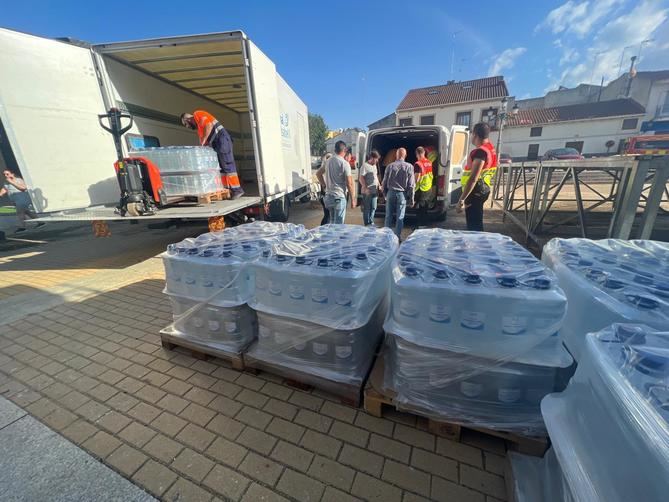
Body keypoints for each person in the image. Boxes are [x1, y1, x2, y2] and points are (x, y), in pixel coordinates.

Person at [180, 110, 244, 199]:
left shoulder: (197, 114)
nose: (188, 127)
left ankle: (237, 190)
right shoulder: (199, 127)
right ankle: (227, 190)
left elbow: (208, 125)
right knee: (221, 167)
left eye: (186, 125)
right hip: (217, 143)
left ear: (188, 120)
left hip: (222, 140)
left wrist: (204, 141)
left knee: (227, 165)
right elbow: (202, 140)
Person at [456, 122, 498, 231]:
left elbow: (473, 178)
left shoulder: (480, 152)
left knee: (474, 226)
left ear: (475, 135)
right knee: (476, 222)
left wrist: (462, 199)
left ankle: (475, 247)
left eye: (471, 134)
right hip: (483, 188)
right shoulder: (490, 149)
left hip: (475, 192)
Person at [316, 140, 356, 224]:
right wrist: (353, 199)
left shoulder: (328, 161)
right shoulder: (344, 163)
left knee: (331, 223)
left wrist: (324, 185)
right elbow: (349, 183)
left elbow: (318, 174)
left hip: (328, 197)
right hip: (338, 197)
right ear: (344, 150)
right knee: (338, 226)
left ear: (335, 150)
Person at [382, 148, 415, 238]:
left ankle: (386, 237)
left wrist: (385, 194)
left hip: (390, 193)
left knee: (388, 216)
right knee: (400, 217)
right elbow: (411, 185)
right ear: (405, 155)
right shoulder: (409, 167)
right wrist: (411, 199)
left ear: (396, 155)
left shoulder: (390, 166)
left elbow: (384, 182)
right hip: (402, 194)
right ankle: (397, 237)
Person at [1, 169, 44, 233]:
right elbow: (4, 190)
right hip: (16, 200)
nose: (6, 175)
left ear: (12, 174)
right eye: (4, 174)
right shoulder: (6, 183)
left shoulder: (18, 180)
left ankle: (22, 227)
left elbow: (23, 188)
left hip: (22, 199)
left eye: (7, 174)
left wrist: (12, 182)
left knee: (20, 213)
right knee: (27, 212)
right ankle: (41, 222)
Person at [413, 146, 434, 229]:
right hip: (428, 187)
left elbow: (417, 178)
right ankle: (424, 224)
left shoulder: (418, 164)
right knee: (425, 208)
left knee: (419, 208)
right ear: (424, 153)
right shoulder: (429, 162)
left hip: (420, 189)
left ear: (417, 154)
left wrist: (412, 186)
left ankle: (420, 226)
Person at [359, 150, 381, 226]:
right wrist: (365, 188)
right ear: (372, 158)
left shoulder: (374, 166)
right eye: (376, 159)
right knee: (367, 208)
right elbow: (361, 178)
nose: (377, 161)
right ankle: (366, 223)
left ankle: (371, 222)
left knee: (374, 207)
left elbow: (375, 177)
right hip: (367, 191)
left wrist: (379, 185)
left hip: (374, 190)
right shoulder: (365, 166)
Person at [317, 153, 333, 225]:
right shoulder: (325, 168)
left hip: (327, 194)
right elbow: (318, 175)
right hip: (326, 194)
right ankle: (322, 229)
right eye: (328, 158)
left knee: (328, 215)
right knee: (328, 215)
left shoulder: (327, 169)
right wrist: (324, 186)